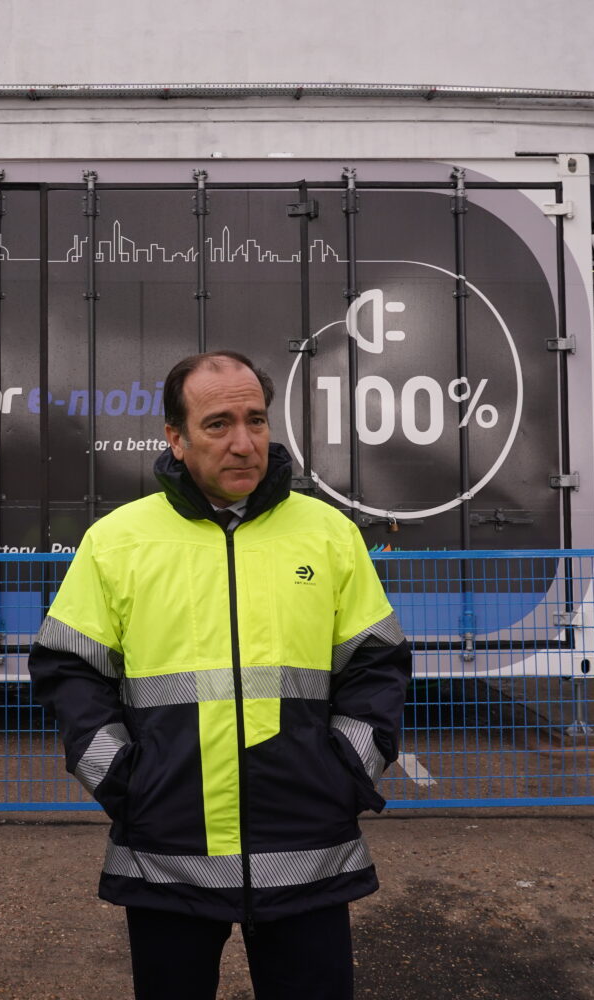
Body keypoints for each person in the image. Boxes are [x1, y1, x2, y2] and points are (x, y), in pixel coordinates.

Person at [28, 351, 412, 1000]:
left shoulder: (327, 535)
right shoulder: (118, 541)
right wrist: (122, 781)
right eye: (218, 424)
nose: (243, 443)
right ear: (174, 439)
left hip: (306, 843)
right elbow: (69, 669)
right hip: (167, 847)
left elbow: (377, 665)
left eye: (256, 420)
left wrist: (347, 769)